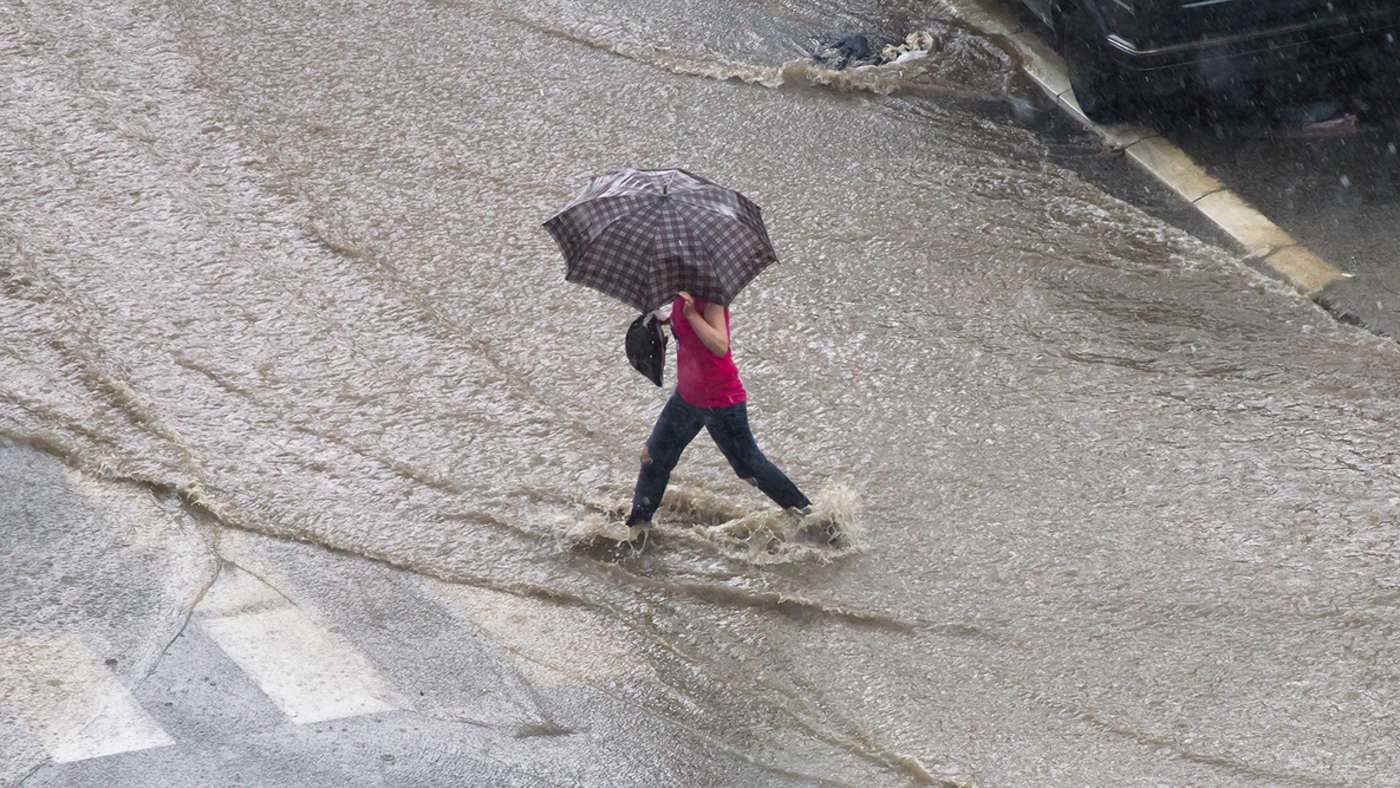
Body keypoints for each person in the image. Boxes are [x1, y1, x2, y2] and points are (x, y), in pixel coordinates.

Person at [624, 290, 811, 547]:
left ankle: (807, 517)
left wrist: (691, 315)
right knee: (653, 458)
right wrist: (665, 317)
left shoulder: (710, 296)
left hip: (721, 400)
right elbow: (685, 328)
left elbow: (720, 345)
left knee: (749, 467)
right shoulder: (683, 293)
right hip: (687, 397)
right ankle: (638, 529)